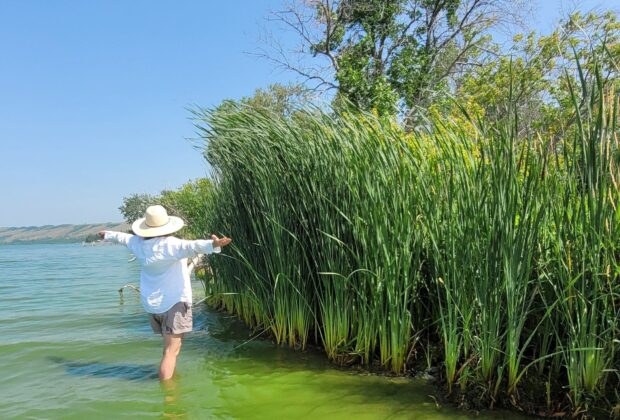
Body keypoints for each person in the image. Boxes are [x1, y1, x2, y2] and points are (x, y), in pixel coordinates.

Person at [98, 205, 231, 381]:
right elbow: (193, 246)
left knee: (169, 349)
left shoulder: (138, 244)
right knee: (171, 351)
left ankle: (168, 381)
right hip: (173, 304)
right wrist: (213, 244)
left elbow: (123, 238)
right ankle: (169, 397)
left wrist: (106, 234)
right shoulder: (172, 245)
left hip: (152, 307)